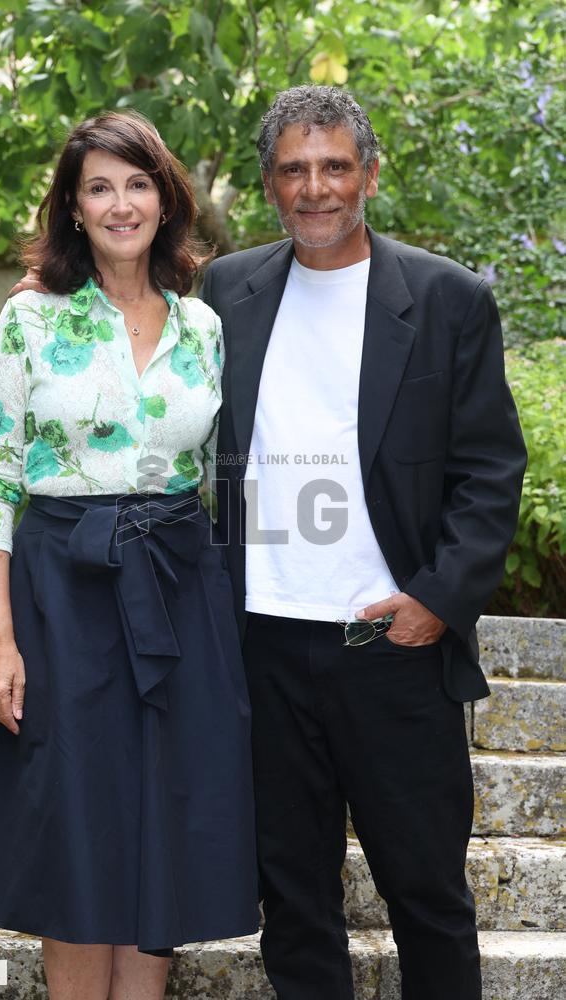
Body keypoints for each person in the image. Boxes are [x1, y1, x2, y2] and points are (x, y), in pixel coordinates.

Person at [199, 86, 527, 1000]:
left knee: (425, 893)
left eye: (335, 165)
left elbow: (491, 470)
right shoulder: (227, 291)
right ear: (270, 183)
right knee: (293, 901)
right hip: (260, 641)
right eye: (295, 169)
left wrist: (436, 598)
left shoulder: (448, 299)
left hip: (388, 642)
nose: (316, 188)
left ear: (370, 175)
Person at [0, 110, 258, 1000]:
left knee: (167, 826)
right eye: (99, 187)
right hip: (61, 596)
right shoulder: (30, 319)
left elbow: (222, 479)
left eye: (137, 183)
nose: (120, 203)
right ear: (74, 208)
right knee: (78, 837)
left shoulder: (204, 327)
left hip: (178, 597)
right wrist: (0, 641)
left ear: (166, 200)